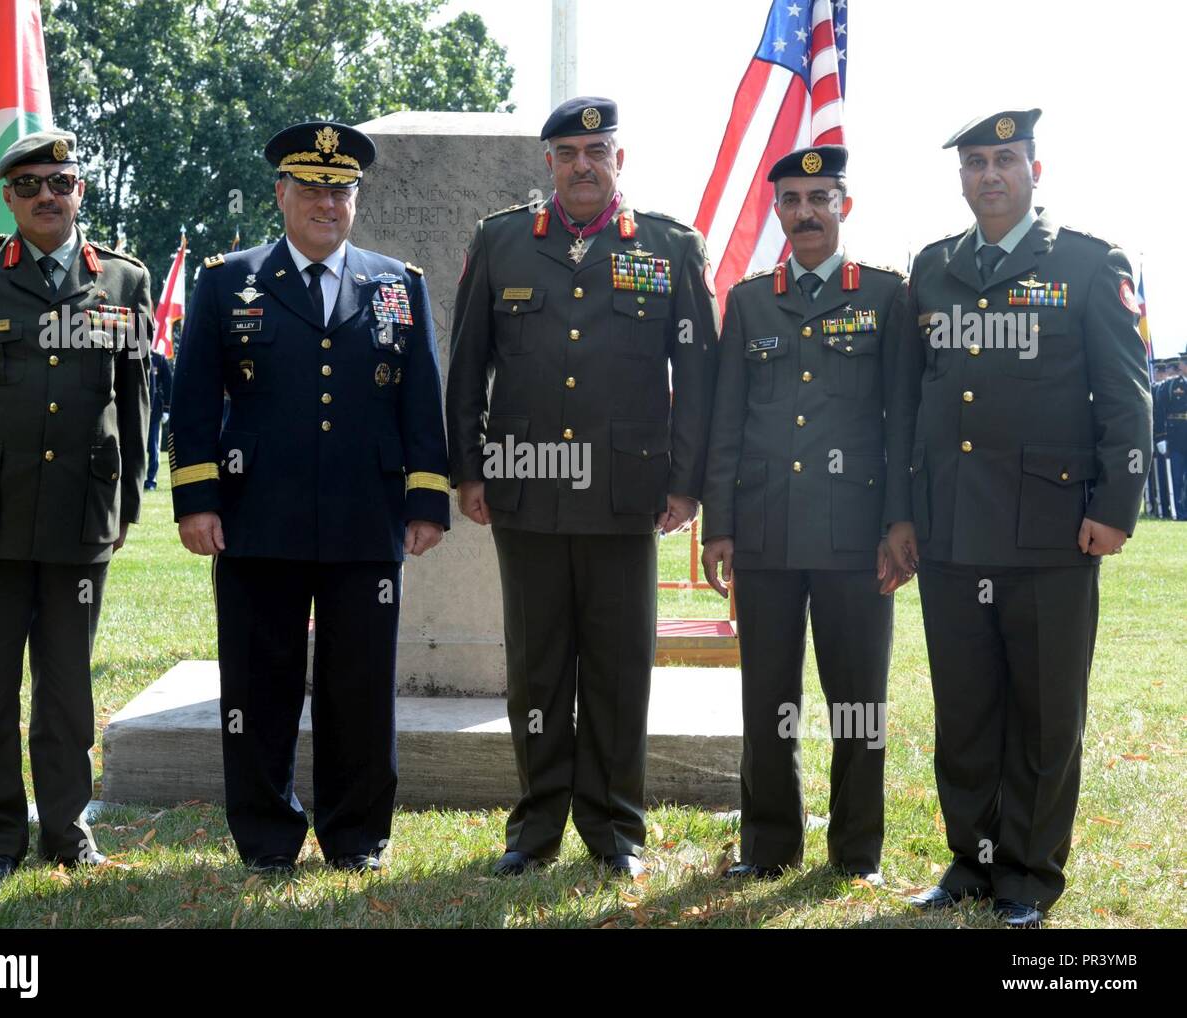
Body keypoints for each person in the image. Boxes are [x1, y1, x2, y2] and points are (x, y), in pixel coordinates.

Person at [884, 109, 1152, 926]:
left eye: (1005, 159)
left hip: (1050, 529)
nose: (990, 175)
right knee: (965, 708)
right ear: (960, 178)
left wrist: (1115, 509)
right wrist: (901, 514)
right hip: (954, 527)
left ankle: (1029, 876)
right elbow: (906, 405)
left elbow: (1126, 395)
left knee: (1043, 711)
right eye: (975, 163)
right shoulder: (930, 271)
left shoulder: (1086, 262)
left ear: (1037, 169)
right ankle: (974, 858)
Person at [168, 120, 450, 875]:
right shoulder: (230, 281)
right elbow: (193, 401)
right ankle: (265, 836)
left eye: (342, 190)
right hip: (259, 513)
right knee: (260, 685)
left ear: (356, 198)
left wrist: (426, 502)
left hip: (366, 515)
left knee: (359, 689)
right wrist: (198, 501)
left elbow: (422, 400)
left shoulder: (398, 284)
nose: (328, 203)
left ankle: (356, 837)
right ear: (282, 194)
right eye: (313, 189)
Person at [446, 97, 719, 877]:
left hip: (626, 497)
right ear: (549, 165)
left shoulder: (668, 246)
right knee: (537, 669)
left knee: (619, 668)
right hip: (525, 495)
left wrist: (687, 484)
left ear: (619, 160)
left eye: (597, 150)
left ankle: (615, 832)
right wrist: (469, 468)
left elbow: (696, 376)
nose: (582, 165)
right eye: (567, 153)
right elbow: (468, 365)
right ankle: (533, 831)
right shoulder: (502, 241)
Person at [0, 129, 152, 878]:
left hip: (81, 512)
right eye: (31, 184)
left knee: (69, 688)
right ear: (9, 199)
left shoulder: (123, 280)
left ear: (82, 190)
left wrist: (129, 505)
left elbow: (137, 402)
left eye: (63, 181)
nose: (49, 194)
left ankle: (68, 832)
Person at [701, 145, 908, 887]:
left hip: (857, 539)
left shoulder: (886, 295)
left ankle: (857, 852)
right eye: (792, 200)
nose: (806, 212)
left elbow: (902, 420)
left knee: (857, 700)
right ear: (778, 211)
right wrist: (718, 523)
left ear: (844, 205)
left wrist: (898, 522)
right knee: (768, 697)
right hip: (765, 531)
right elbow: (727, 418)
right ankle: (768, 844)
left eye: (820, 198)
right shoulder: (750, 300)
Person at [1155, 352, 1187, 518]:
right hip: (1177, 437)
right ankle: (1179, 513)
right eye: (1184, 361)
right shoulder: (1170, 386)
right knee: (1176, 477)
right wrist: (1161, 438)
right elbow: (1160, 413)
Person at [144, 350, 173, 490]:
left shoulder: (158, 358)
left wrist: (167, 408)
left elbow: (168, 384)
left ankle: (151, 480)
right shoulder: (133, 354)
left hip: (154, 410)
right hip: (136, 408)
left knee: (153, 448)